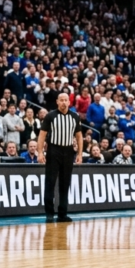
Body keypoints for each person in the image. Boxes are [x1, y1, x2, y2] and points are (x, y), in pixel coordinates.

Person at [39, 92, 83, 222]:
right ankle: (49, 213)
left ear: (69, 102)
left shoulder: (75, 117)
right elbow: (42, 135)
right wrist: (40, 152)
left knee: (65, 184)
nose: (64, 102)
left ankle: (62, 213)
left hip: (68, 151)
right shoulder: (50, 116)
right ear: (57, 102)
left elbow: (79, 136)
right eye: (61, 100)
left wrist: (79, 154)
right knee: (50, 183)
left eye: (66, 100)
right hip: (54, 150)